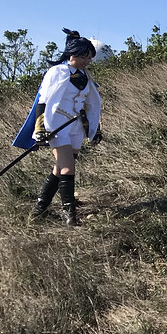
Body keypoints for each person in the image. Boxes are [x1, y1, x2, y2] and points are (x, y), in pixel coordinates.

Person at [29, 28, 103, 225]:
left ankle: (39, 209)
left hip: (76, 126)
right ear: (74, 53)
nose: (88, 61)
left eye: (90, 57)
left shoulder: (86, 77)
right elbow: (43, 101)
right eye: (86, 56)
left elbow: (89, 105)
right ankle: (69, 215)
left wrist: (94, 129)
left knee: (60, 167)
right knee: (68, 168)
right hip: (57, 124)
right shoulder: (57, 72)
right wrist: (40, 129)